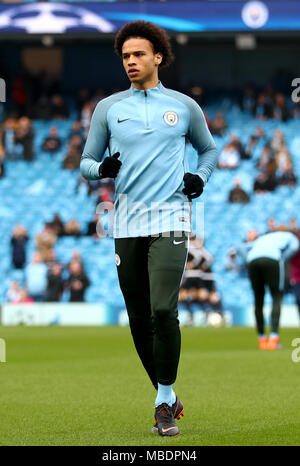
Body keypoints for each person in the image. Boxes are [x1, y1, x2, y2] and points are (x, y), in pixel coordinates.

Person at [80, 20, 218, 436]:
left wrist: (201, 178)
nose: (131, 62)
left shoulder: (184, 106)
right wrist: (101, 168)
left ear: (158, 57)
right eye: (125, 57)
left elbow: (209, 150)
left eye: (139, 54)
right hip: (125, 221)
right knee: (138, 317)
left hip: (171, 218)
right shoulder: (108, 108)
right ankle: (166, 395)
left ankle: (162, 402)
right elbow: (87, 163)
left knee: (162, 309)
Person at [238, 231, 300, 350]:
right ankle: (273, 339)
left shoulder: (263, 238)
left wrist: (249, 259)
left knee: (258, 299)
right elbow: (294, 247)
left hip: (253, 261)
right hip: (273, 260)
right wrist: (282, 258)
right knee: (277, 297)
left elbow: (240, 247)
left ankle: (262, 339)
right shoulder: (290, 236)